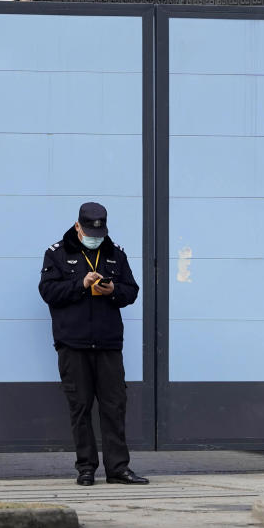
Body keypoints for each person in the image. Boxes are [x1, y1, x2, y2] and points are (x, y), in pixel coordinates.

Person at [38, 202, 149, 486]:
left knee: (114, 406)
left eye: (99, 232)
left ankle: (118, 468)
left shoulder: (115, 253)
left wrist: (113, 291)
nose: (94, 237)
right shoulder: (57, 253)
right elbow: (48, 291)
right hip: (72, 344)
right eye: (88, 231)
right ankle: (86, 468)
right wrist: (81, 284)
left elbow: (131, 291)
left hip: (108, 344)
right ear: (78, 227)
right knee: (80, 407)